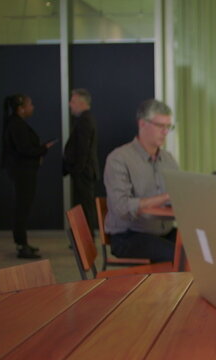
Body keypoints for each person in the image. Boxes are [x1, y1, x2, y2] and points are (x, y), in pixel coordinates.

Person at [103, 99, 179, 262]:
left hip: (164, 232)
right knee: (180, 256)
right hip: (128, 236)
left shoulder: (168, 159)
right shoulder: (119, 158)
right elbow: (121, 208)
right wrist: (165, 197)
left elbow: (177, 196)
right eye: (160, 126)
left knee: (206, 248)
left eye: (168, 127)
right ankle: (173, 287)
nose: (165, 132)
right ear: (142, 124)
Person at [2, 94, 57, 259]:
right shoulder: (16, 125)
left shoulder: (15, 124)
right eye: (30, 104)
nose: (33, 107)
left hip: (24, 171)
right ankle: (21, 244)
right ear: (21, 108)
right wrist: (43, 149)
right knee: (22, 207)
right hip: (23, 172)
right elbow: (25, 150)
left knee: (23, 207)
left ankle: (23, 242)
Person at [63, 88, 99, 232]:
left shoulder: (84, 121)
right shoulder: (86, 119)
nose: (70, 104)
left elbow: (83, 149)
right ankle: (84, 239)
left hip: (83, 172)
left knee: (85, 207)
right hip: (84, 171)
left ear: (81, 103)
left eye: (72, 101)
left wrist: (76, 170)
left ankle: (86, 240)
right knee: (84, 206)